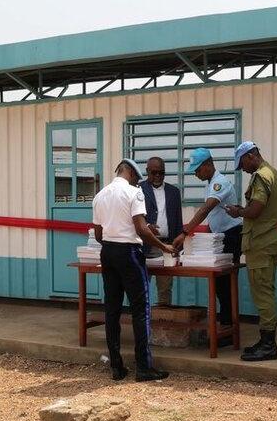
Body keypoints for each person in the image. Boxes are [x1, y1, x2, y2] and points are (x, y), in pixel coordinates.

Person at [92, 159, 176, 382]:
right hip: (129, 254)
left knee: (112, 310)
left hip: (108, 253)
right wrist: (163, 246)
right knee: (141, 310)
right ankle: (144, 367)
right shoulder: (134, 193)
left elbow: (99, 235)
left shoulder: (100, 195)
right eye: (136, 177)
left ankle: (116, 366)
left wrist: (117, 240)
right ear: (129, 172)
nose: (137, 181)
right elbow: (140, 229)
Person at [172, 148, 243, 339]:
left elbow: (206, 209)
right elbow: (214, 216)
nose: (195, 174)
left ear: (208, 164)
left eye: (197, 169)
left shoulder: (220, 183)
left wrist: (185, 232)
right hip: (220, 236)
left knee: (225, 283)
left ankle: (228, 330)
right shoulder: (211, 184)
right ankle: (225, 325)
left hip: (231, 236)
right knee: (220, 284)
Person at [225, 141, 277, 362]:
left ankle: (269, 346)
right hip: (268, 240)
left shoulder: (261, 176)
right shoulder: (275, 174)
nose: (242, 169)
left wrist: (238, 212)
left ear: (251, 156)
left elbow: (256, 209)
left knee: (263, 295)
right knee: (265, 291)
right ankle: (265, 340)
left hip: (261, 243)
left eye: (242, 164)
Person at [139, 156, 183, 305]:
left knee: (165, 288)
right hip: (144, 246)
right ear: (147, 171)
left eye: (161, 172)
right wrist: (146, 226)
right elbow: (131, 217)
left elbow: (178, 220)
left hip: (167, 246)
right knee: (141, 287)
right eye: (154, 172)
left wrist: (179, 249)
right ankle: (142, 318)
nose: (158, 176)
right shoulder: (138, 190)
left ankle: (163, 317)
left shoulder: (174, 192)